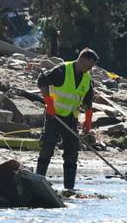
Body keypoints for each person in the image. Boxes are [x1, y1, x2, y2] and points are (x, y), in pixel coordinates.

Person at [36, 48, 98, 189]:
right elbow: (42, 81)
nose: (90, 68)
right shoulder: (62, 70)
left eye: (92, 66)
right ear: (82, 59)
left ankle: (69, 188)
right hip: (54, 115)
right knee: (47, 147)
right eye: (89, 64)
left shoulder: (87, 78)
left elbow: (88, 102)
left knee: (71, 151)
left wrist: (88, 121)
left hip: (71, 118)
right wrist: (49, 103)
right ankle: (38, 181)